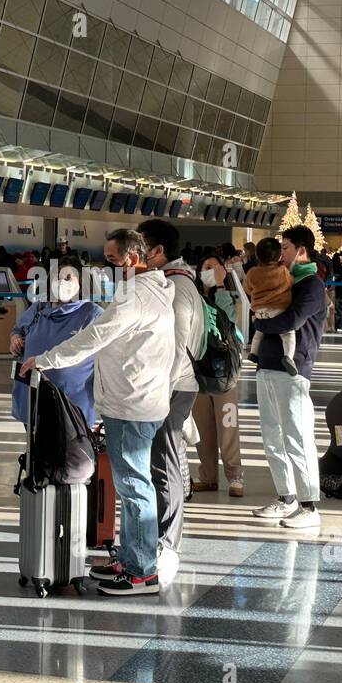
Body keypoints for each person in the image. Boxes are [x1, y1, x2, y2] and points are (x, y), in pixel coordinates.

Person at [22, 229, 174, 596]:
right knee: (132, 483)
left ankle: (141, 572)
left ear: (133, 259)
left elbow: (94, 337)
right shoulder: (155, 289)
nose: (106, 268)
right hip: (144, 398)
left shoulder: (134, 296)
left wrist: (45, 359)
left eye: (111, 260)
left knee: (134, 486)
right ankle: (131, 556)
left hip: (132, 403)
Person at [250, 226, 328, 529]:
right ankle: (286, 498)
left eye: (285, 247)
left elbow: (291, 319)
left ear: (302, 251)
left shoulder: (311, 285)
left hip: (293, 368)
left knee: (297, 437)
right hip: (267, 365)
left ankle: (310, 506)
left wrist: (261, 320)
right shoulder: (285, 280)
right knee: (272, 436)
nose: (280, 253)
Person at [138, 219, 202, 582]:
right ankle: (160, 537)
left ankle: (168, 542)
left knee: (165, 465)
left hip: (172, 387)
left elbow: (177, 347)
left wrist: (158, 391)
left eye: (140, 245)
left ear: (158, 250)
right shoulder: (174, 281)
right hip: (172, 385)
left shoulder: (176, 286)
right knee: (166, 459)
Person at [10, 256, 104, 427]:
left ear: (81, 283)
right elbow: (18, 329)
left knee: (68, 449)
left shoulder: (91, 313)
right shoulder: (40, 307)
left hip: (71, 401)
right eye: (57, 278)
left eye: (68, 278)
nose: (61, 283)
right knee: (35, 446)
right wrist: (15, 339)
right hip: (32, 394)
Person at [190, 253, 246, 497]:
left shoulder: (231, 297)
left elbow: (229, 319)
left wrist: (221, 286)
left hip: (225, 373)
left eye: (214, 267)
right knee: (203, 427)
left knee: (228, 425)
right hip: (199, 373)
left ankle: (235, 476)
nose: (209, 271)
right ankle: (208, 476)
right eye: (206, 267)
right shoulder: (192, 297)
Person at [244, 238, 298, 375]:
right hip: (277, 310)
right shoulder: (282, 271)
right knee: (288, 334)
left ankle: (253, 353)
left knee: (258, 334)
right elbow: (290, 283)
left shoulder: (252, 272)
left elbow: (248, 288)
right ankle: (288, 357)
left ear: (257, 255)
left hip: (259, 312)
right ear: (280, 255)